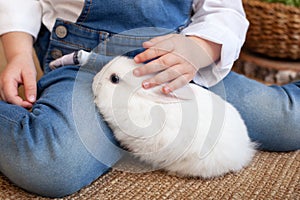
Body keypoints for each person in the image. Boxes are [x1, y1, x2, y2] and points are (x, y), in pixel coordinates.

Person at [0, 0, 297, 198]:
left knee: (286, 122)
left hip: (176, 63)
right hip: (84, 64)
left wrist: (198, 49)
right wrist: (18, 51)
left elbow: (225, 10)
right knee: (51, 165)